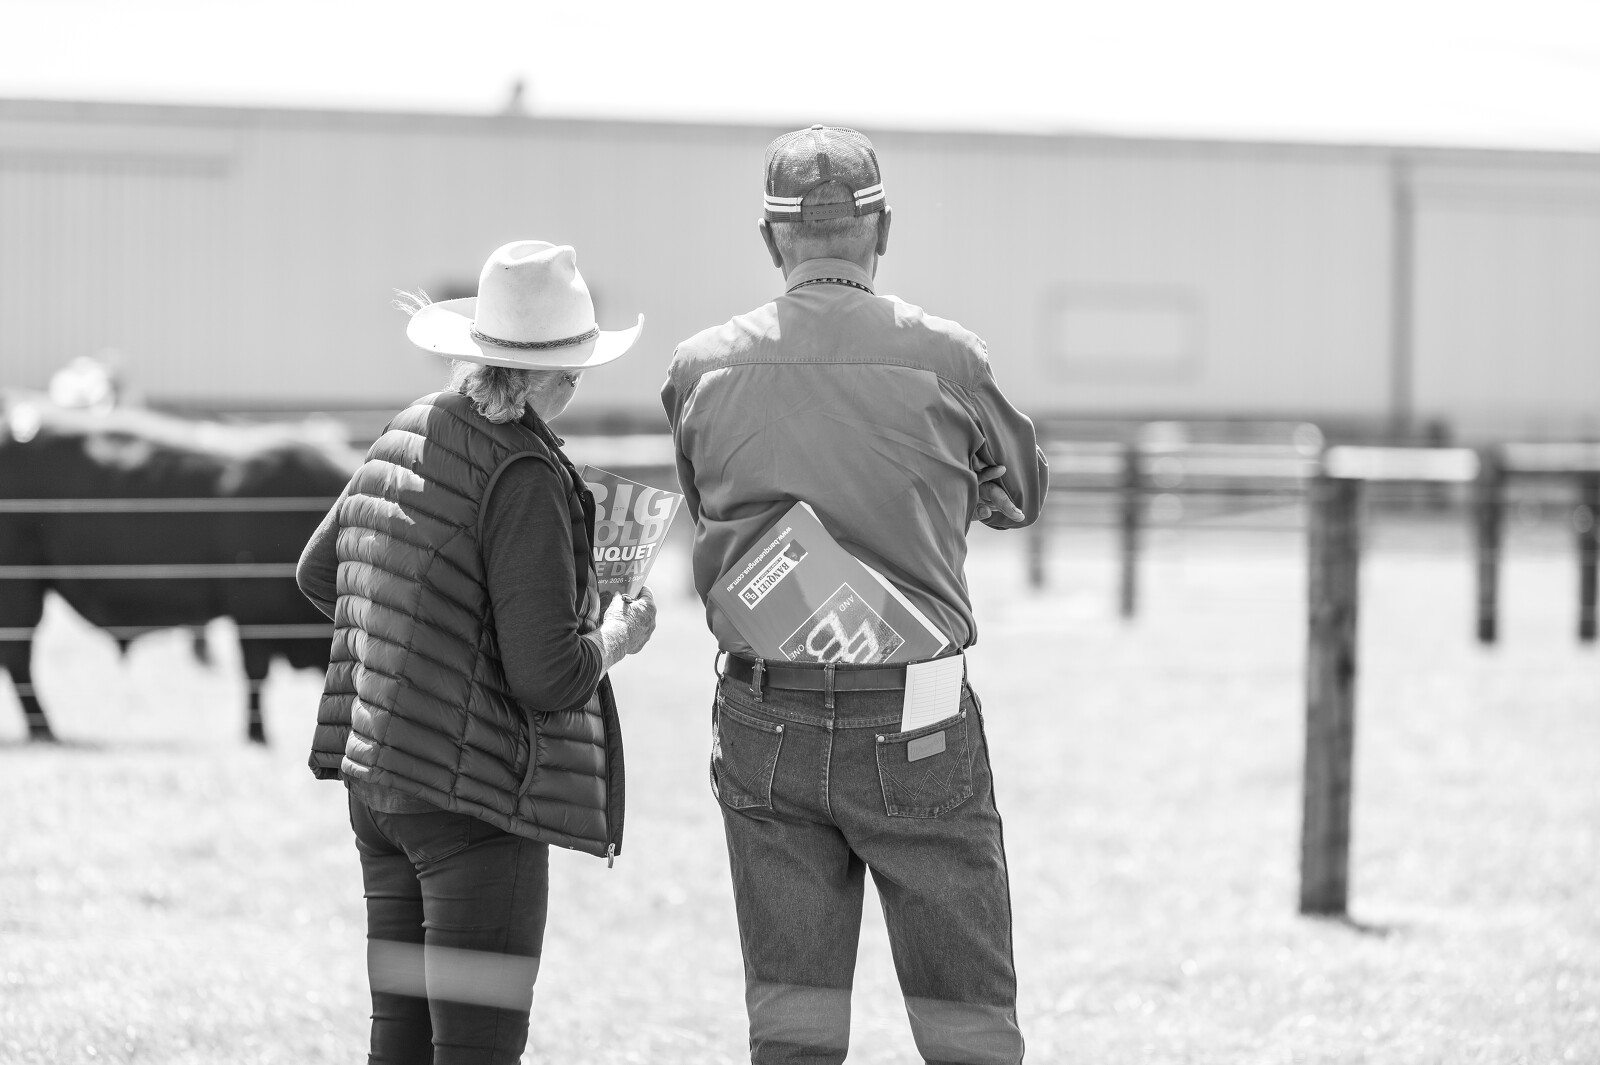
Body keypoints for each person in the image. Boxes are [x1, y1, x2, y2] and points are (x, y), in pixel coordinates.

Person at [661, 126, 1048, 1064]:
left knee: (793, 1033)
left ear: (770, 239)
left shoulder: (699, 368)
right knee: (968, 1029)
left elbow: (705, 508)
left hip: (765, 711)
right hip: (916, 711)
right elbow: (1023, 495)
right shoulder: (949, 359)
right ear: (884, 229)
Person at [296, 240, 658, 1065]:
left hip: (379, 782)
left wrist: (420, 648)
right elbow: (549, 676)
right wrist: (619, 637)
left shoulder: (411, 423)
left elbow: (321, 572)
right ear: (544, 376)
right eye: (574, 369)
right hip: (474, 811)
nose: (577, 384)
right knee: (476, 1050)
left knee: (398, 1045)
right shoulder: (525, 472)